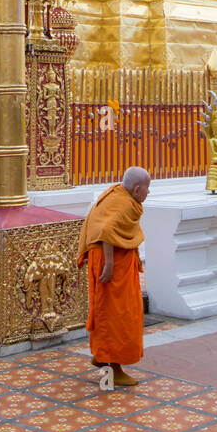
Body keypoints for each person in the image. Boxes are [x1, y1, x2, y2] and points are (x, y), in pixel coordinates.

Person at [77, 165, 150, 387]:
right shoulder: (122, 202)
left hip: (115, 260)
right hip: (111, 263)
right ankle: (112, 365)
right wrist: (109, 264)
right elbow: (106, 229)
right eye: (147, 189)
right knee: (117, 313)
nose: (148, 193)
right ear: (137, 189)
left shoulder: (119, 194)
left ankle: (102, 355)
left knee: (116, 310)